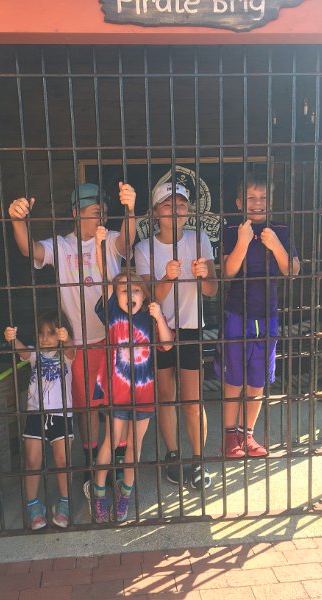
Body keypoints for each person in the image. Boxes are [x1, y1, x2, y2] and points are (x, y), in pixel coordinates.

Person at [8, 182, 136, 481]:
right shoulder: (61, 245)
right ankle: (93, 460)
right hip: (78, 341)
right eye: (96, 212)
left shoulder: (110, 238)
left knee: (118, 402)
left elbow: (126, 240)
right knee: (86, 406)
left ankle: (117, 456)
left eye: (105, 212)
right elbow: (29, 249)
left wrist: (130, 209)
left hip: (113, 337)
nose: (102, 218)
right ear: (77, 213)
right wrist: (17, 220)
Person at [84, 230, 173, 522]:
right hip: (117, 391)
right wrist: (100, 245)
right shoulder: (112, 313)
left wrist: (159, 317)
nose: (130, 294)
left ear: (144, 295)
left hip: (144, 393)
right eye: (123, 291)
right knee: (111, 441)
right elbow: (104, 276)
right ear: (115, 296)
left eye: (136, 290)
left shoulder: (149, 317)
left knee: (136, 445)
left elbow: (167, 344)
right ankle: (98, 493)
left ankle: (124, 496)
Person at [135, 181, 218, 490]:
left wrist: (203, 276)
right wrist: (167, 278)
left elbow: (212, 290)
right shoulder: (143, 248)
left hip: (192, 327)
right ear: (156, 212)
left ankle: (198, 460)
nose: (176, 210)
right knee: (166, 397)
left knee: (193, 400)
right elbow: (148, 297)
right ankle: (172, 456)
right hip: (159, 329)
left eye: (181, 204)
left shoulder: (199, 239)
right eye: (168, 205)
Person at [215, 172, 300, 457]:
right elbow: (227, 272)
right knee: (233, 380)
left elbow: (293, 270)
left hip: (268, 315)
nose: (258, 202)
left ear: (271, 201)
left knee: (257, 380)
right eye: (251, 198)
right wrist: (242, 242)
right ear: (240, 202)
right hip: (236, 314)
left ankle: (247, 435)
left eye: (263, 197)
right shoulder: (231, 229)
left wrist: (275, 245)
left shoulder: (281, 229)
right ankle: (230, 436)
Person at [4, 311, 75, 530]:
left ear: (61, 333)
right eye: (41, 333)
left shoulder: (65, 355)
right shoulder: (35, 354)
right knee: (32, 460)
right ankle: (33, 505)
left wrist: (66, 339)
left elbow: (71, 350)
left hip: (61, 414)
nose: (45, 338)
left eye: (51, 333)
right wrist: (12, 339)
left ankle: (65, 503)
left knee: (62, 460)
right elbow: (23, 352)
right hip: (36, 414)